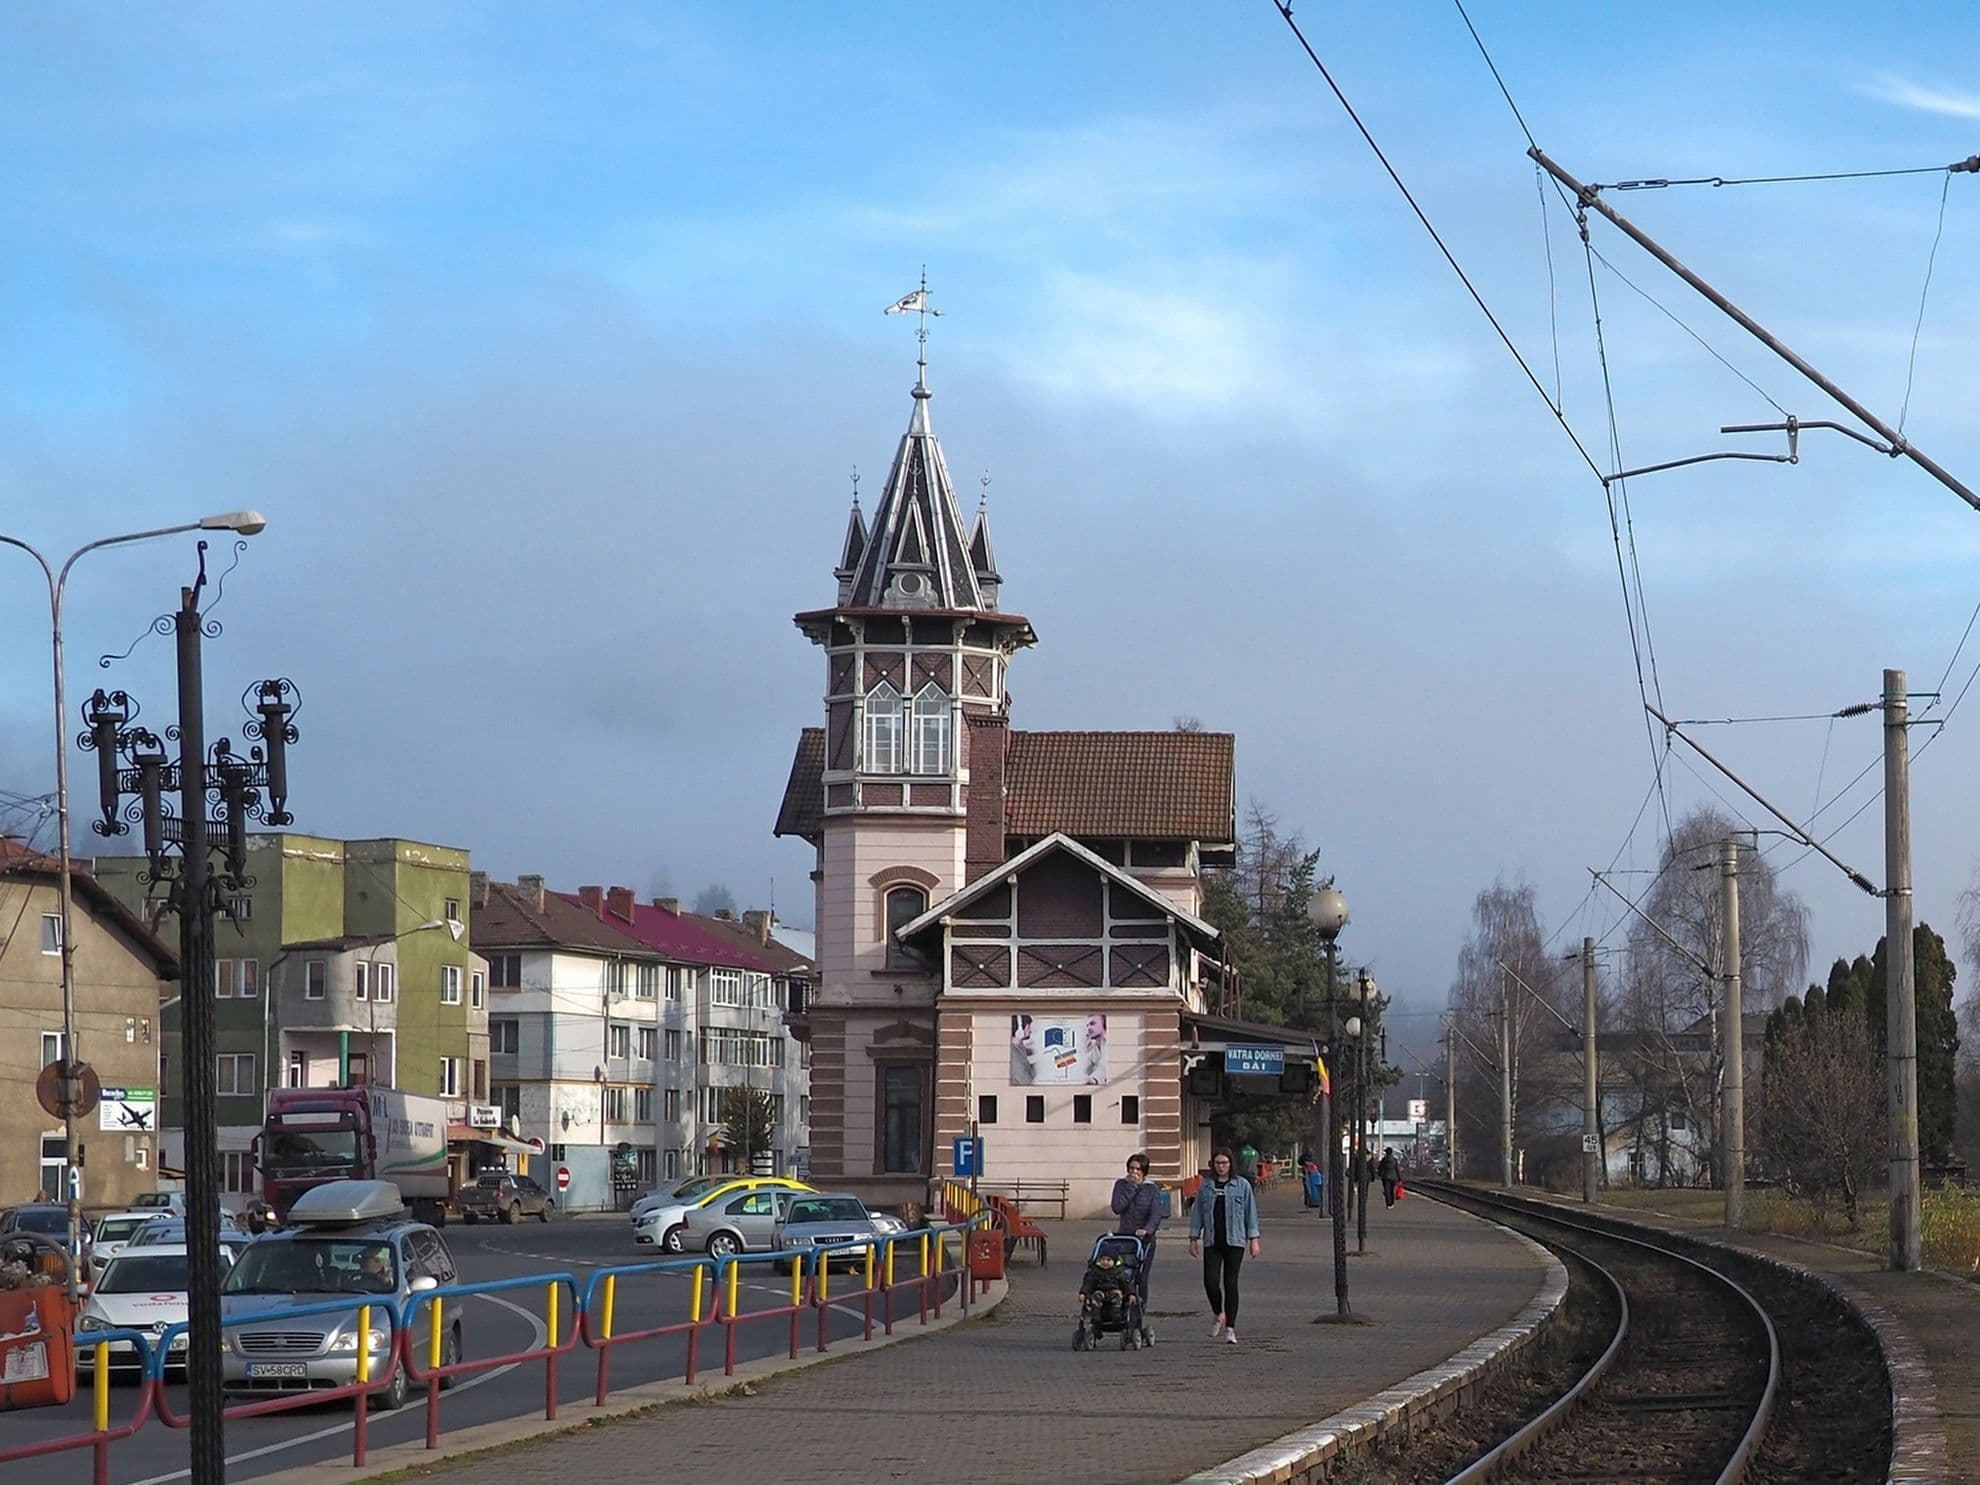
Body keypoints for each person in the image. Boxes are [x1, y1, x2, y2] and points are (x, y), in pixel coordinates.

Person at [1187, 1148, 1260, 1344]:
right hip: (1212, 1241)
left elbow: (1250, 1213)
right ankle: (1218, 1312)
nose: (1221, 1167)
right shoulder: (1206, 1187)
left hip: (1235, 1241)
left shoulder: (1241, 1185)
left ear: (1231, 1164)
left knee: (1231, 1283)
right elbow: (1198, 1214)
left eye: (1224, 1163)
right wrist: (1193, 1238)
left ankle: (1230, 1328)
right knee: (1210, 1281)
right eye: (1218, 1163)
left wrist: (1254, 1240)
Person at [1110, 1152, 1161, 1309]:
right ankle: (1120, 1302)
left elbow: (1155, 1213)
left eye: (1138, 1169)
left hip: (1144, 1239)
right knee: (1121, 1272)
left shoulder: (1151, 1189)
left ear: (1144, 1171)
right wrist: (1131, 1189)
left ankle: (1140, 1306)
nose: (1134, 1172)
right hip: (1124, 1237)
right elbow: (1117, 1207)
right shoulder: (1121, 1185)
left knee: (1140, 1275)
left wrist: (1147, 1229)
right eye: (1131, 1168)